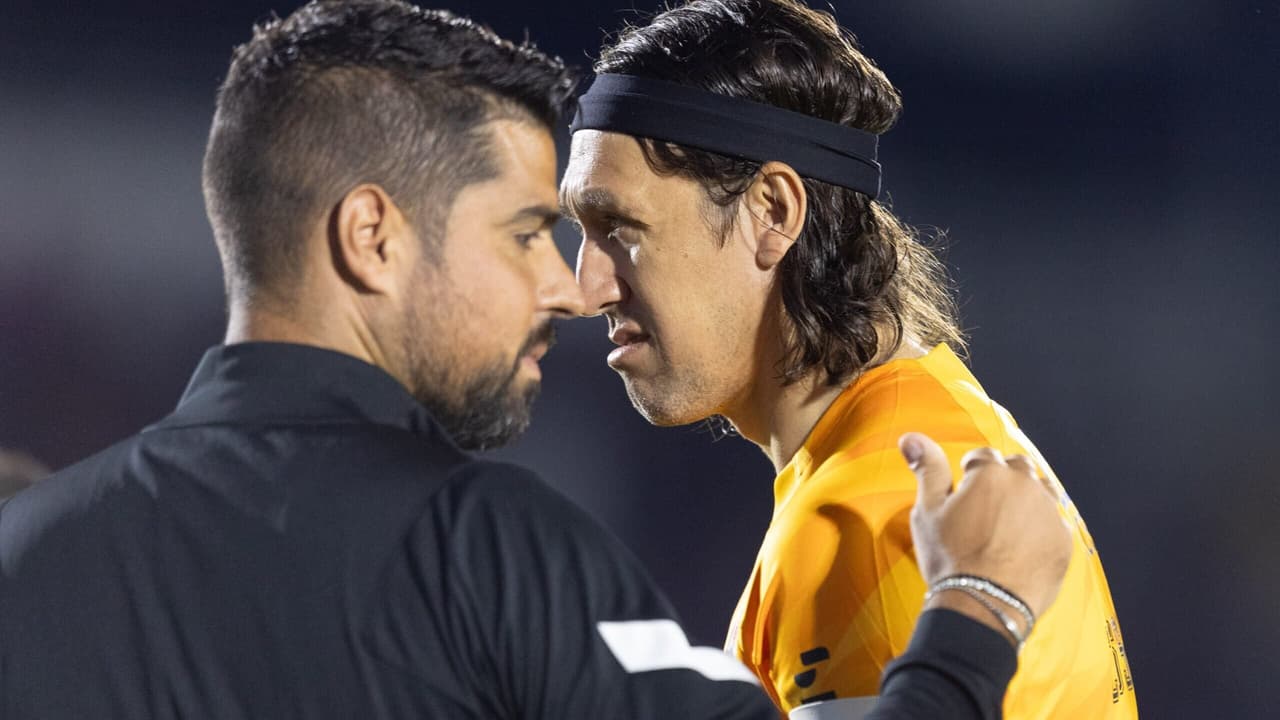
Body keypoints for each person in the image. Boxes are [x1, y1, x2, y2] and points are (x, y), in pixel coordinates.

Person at [1, 1, 1066, 718]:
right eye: (524, 233)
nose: (563, 285)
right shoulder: (489, 552)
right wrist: (975, 611)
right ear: (371, 236)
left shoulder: (29, 553)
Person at [561, 1, 1136, 718]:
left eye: (620, 228)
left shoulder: (861, 527)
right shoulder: (931, 420)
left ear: (772, 212)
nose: (585, 287)